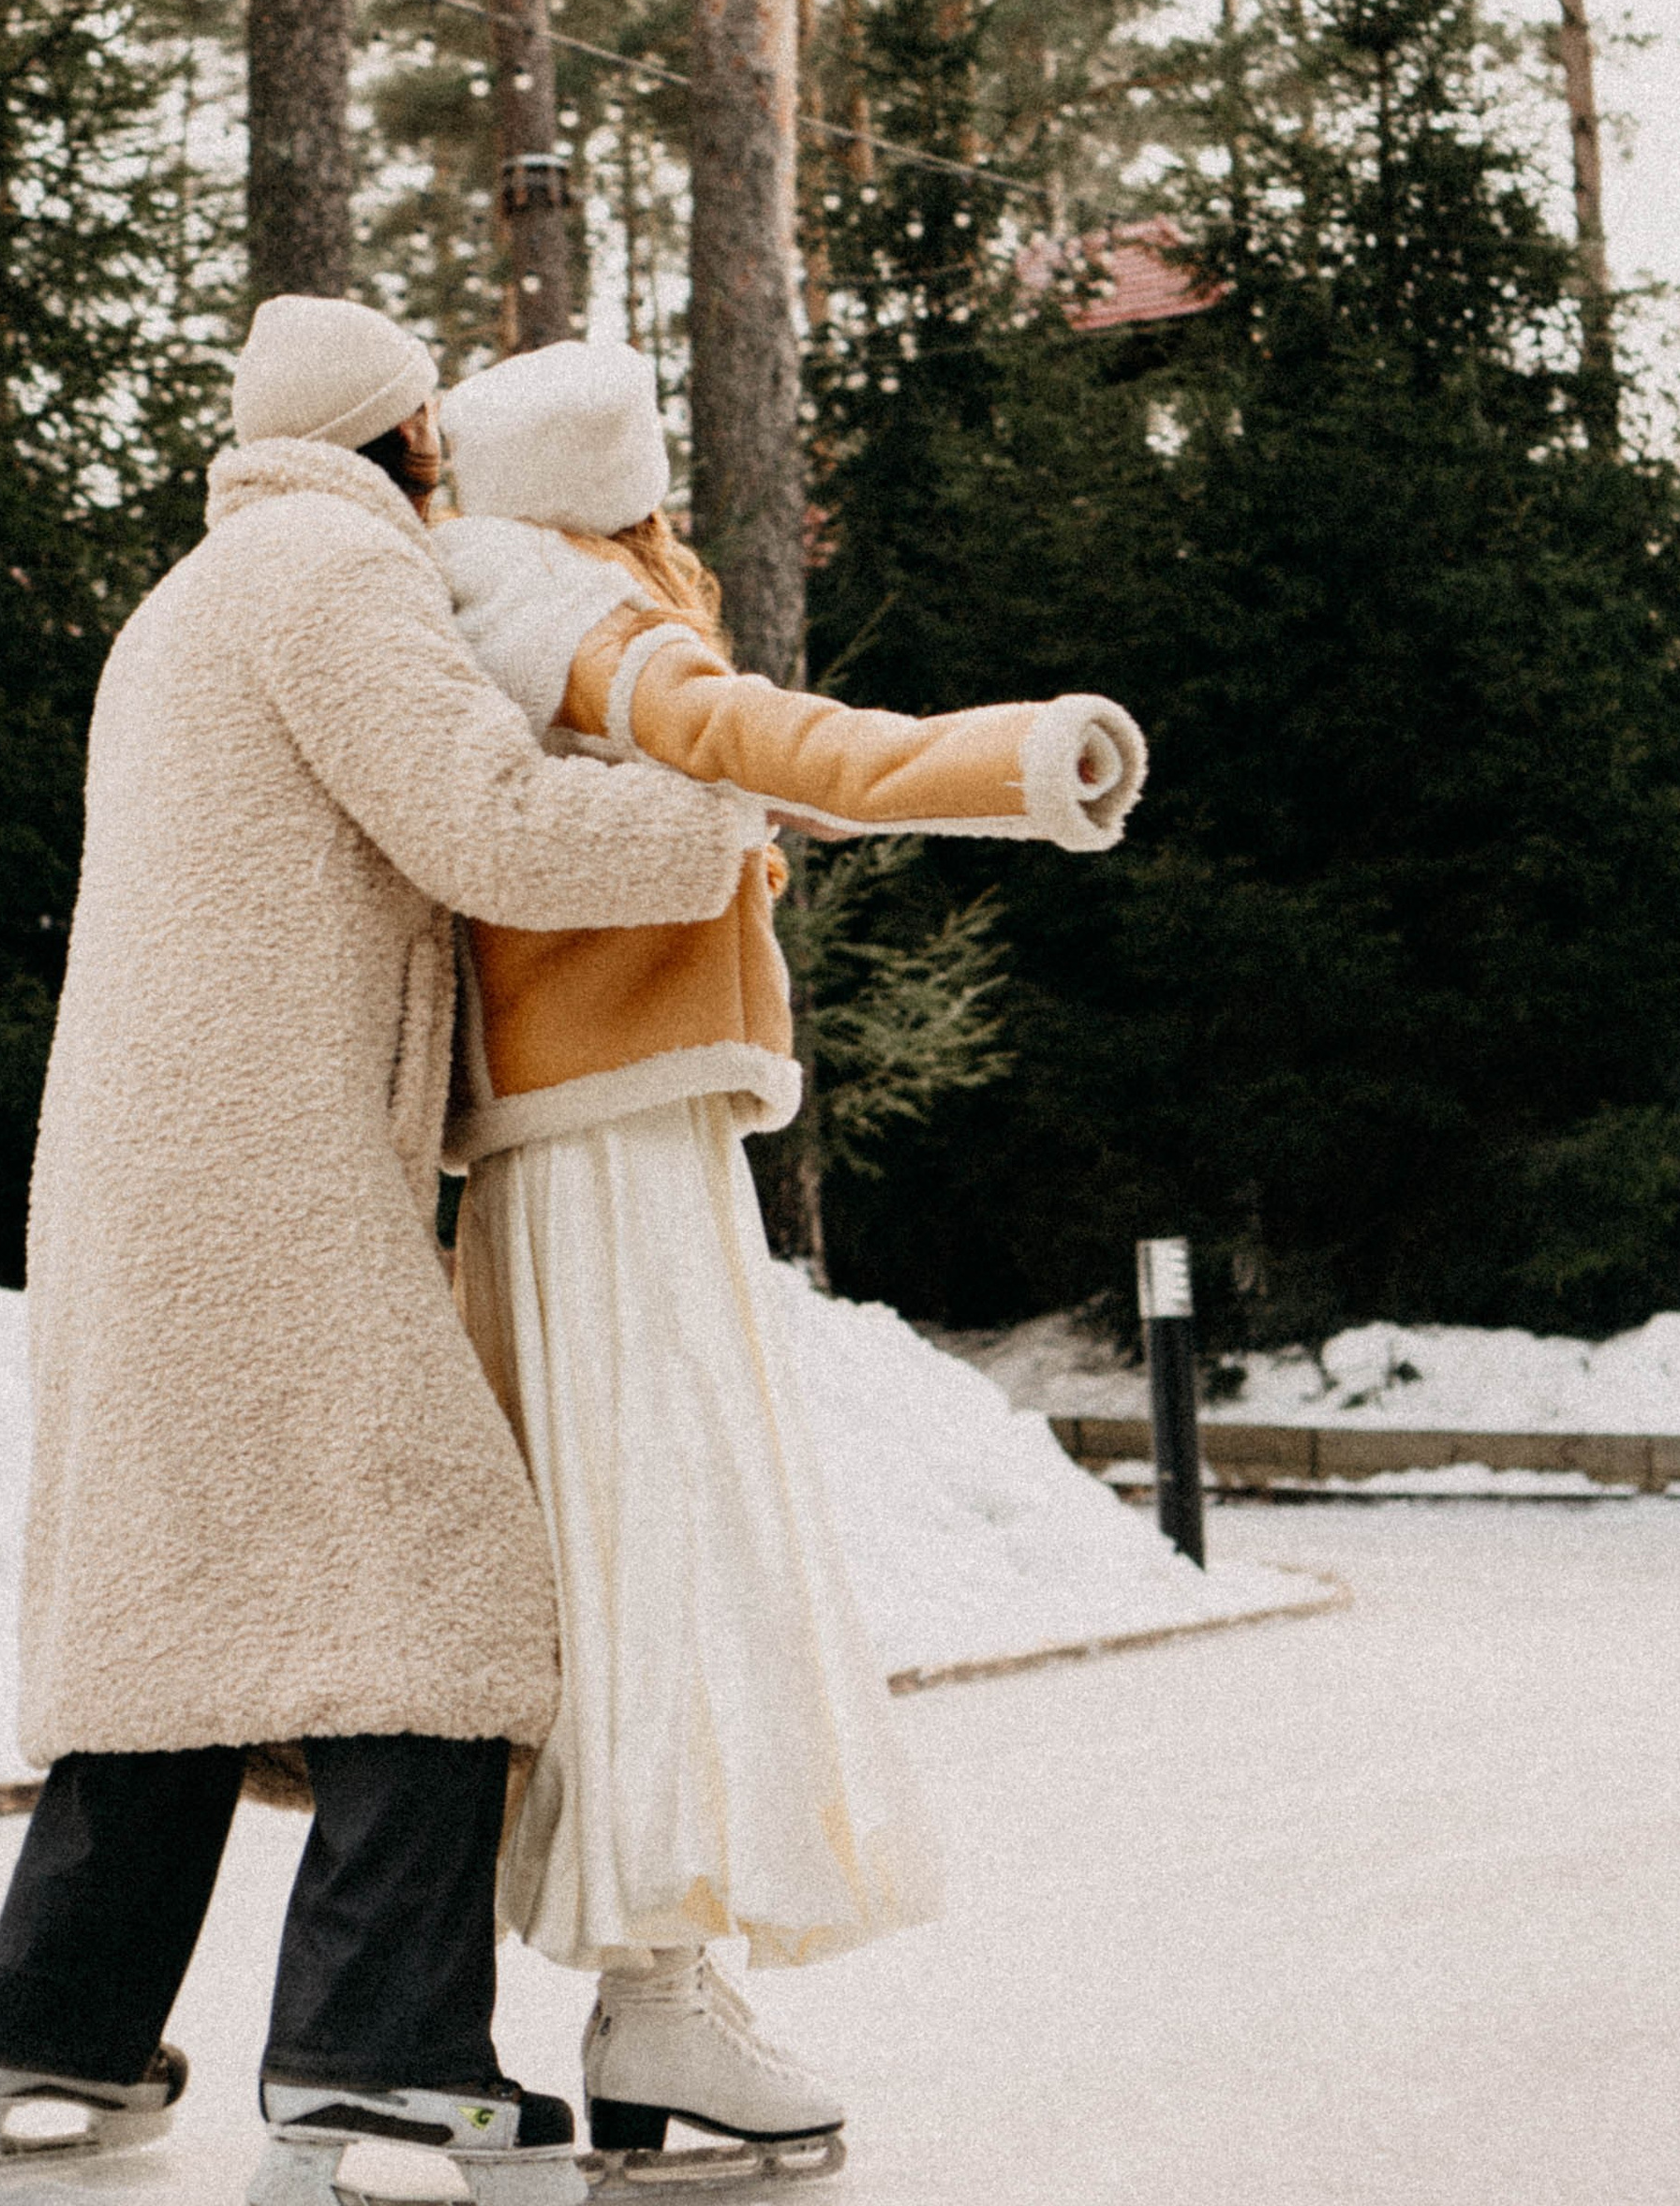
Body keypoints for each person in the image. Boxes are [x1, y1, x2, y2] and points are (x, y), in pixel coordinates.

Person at [0, 297, 770, 2204]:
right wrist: (709, 818)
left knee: (187, 1614)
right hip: (266, 1170)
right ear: (402, 440)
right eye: (437, 443)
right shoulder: (334, 573)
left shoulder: (194, 592)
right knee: (441, 1591)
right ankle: (372, 2063)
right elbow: (477, 820)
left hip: (145, 1173)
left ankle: (43, 2033)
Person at [430, 335, 1147, 2178]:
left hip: (606, 1130)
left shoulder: (554, 590)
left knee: (654, 1537)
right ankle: (652, 2002)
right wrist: (1007, 755)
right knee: (656, 1537)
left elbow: (762, 766)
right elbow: (763, 743)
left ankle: (653, 1992)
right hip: (597, 1142)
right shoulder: (554, 598)